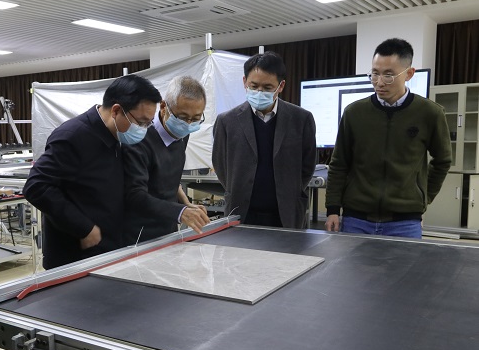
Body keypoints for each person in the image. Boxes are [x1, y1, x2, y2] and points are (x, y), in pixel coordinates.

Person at [23, 74, 162, 350]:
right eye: (142, 121)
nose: (145, 128)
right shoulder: (73, 136)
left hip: (104, 260)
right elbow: (36, 186)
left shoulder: (114, 138)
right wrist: (83, 226)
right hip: (72, 263)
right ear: (117, 110)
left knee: (94, 346)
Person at [325, 38, 452, 238]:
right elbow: (339, 163)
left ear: (409, 74)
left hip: (405, 223)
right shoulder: (354, 113)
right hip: (356, 219)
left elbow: (443, 161)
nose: (379, 82)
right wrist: (332, 209)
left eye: (389, 75)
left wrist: (422, 198)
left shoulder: (430, 113)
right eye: (375, 73)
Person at [212, 51, 317, 228]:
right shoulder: (226, 121)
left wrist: (290, 190)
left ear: (281, 86)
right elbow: (221, 166)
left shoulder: (301, 119)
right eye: (254, 86)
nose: (259, 92)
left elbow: (307, 166)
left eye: (267, 88)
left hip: (286, 214)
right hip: (241, 212)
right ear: (244, 82)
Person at [123, 75, 210, 245]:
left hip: (168, 229)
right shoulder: (139, 139)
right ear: (164, 107)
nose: (188, 124)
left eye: (195, 119)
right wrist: (180, 212)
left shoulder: (182, 133)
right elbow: (135, 195)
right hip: (139, 235)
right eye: (183, 117)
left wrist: (186, 204)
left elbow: (170, 179)